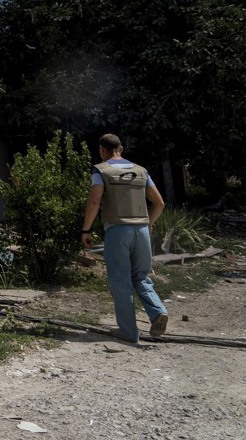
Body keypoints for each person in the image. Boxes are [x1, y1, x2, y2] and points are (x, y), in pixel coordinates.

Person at [81, 133, 168, 342]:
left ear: (103, 150)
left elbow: (94, 202)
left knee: (120, 281)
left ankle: (128, 332)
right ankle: (158, 312)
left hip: (118, 231)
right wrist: (149, 223)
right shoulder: (141, 171)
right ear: (121, 149)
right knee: (141, 277)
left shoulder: (100, 171)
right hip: (142, 231)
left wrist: (86, 230)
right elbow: (159, 203)